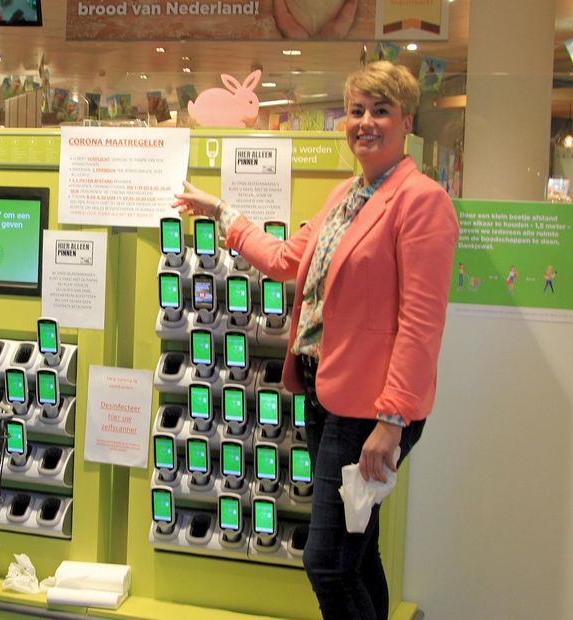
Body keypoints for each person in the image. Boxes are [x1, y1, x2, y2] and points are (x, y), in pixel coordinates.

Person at [173, 61, 458, 619]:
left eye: (380, 111)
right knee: (356, 554)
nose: (365, 123)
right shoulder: (346, 196)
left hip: (371, 409)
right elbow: (286, 260)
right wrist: (221, 212)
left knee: (326, 563)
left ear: (405, 120)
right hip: (327, 394)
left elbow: (421, 323)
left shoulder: (422, 201)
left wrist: (392, 421)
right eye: (356, 111)